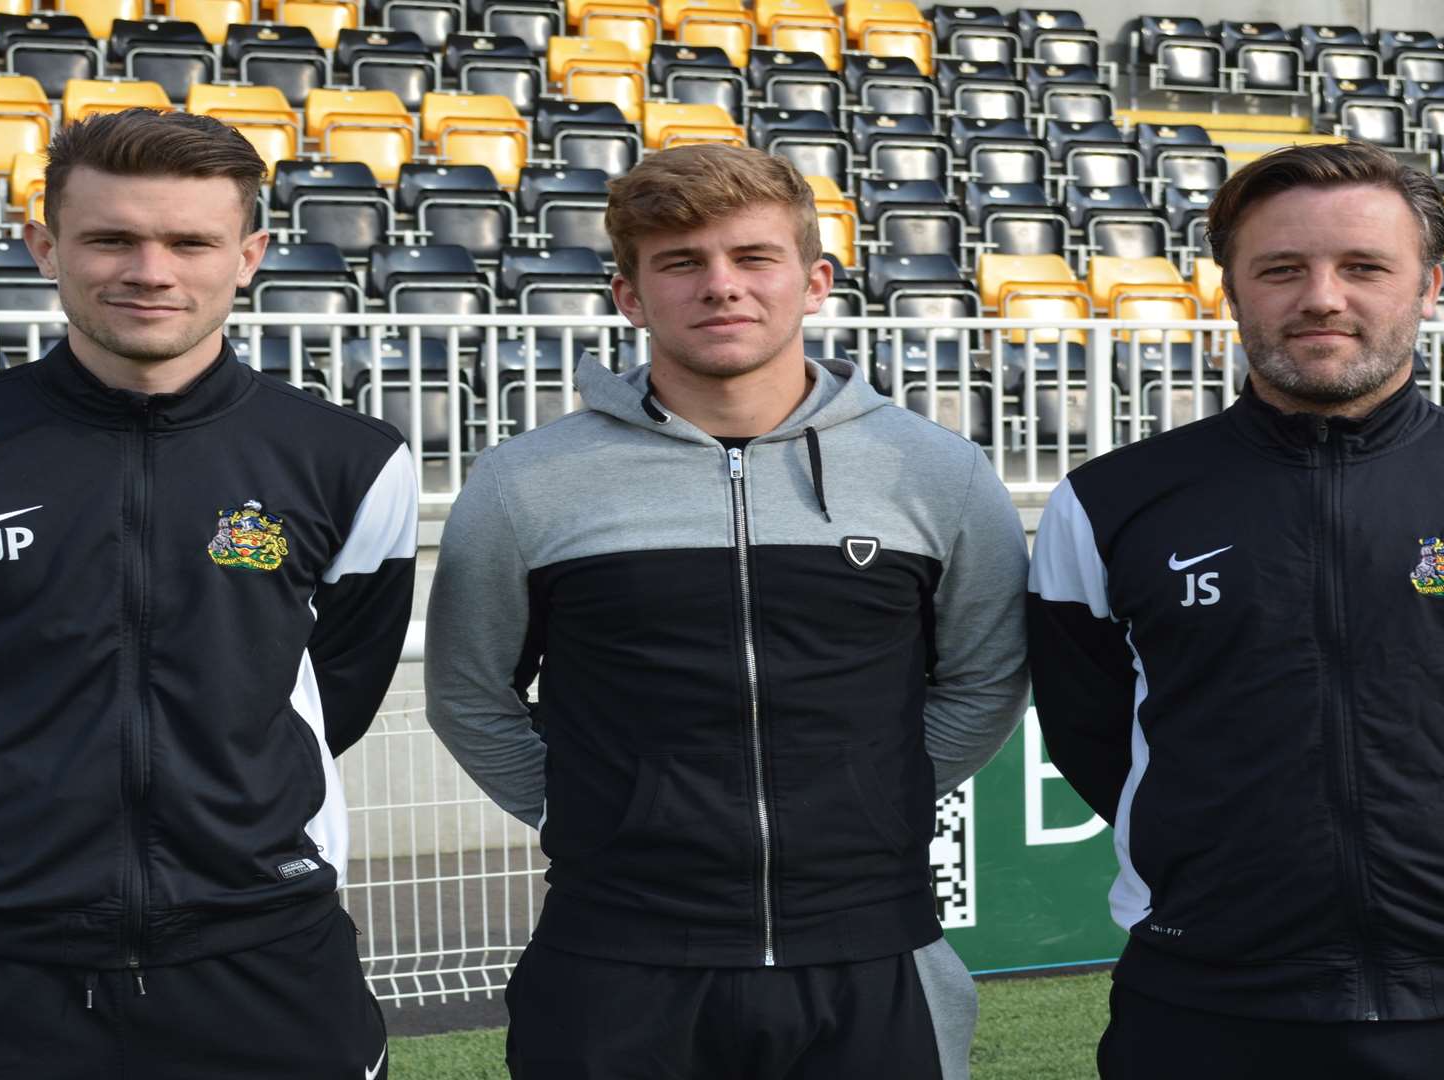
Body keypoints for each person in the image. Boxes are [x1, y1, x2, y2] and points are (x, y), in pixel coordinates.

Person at [1028, 139, 1444, 1079]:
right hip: (1207, 998)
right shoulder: (1108, 502)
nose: (1323, 298)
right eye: (1281, 269)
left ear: (1427, 288)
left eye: (1364, 267)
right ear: (1230, 288)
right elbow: (1093, 734)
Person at [0, 108, 417, 1078]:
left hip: (262, 956)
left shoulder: (351, 462)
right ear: (44, 246)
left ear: (249, 254)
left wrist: (220, 814)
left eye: (190, 241)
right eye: (111, 238)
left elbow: (333, 682)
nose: (151, 270)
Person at [425, 143, 1029, 1079]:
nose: (722, 287)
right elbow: (470, 693)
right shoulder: (525, 484)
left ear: (814, 281)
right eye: (681, 263)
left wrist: (877, 793)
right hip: (616, 954)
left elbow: (987, 676)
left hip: (874, 944)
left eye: (753, 258)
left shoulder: (938, 472)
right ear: (630, 295)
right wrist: (600, 807)